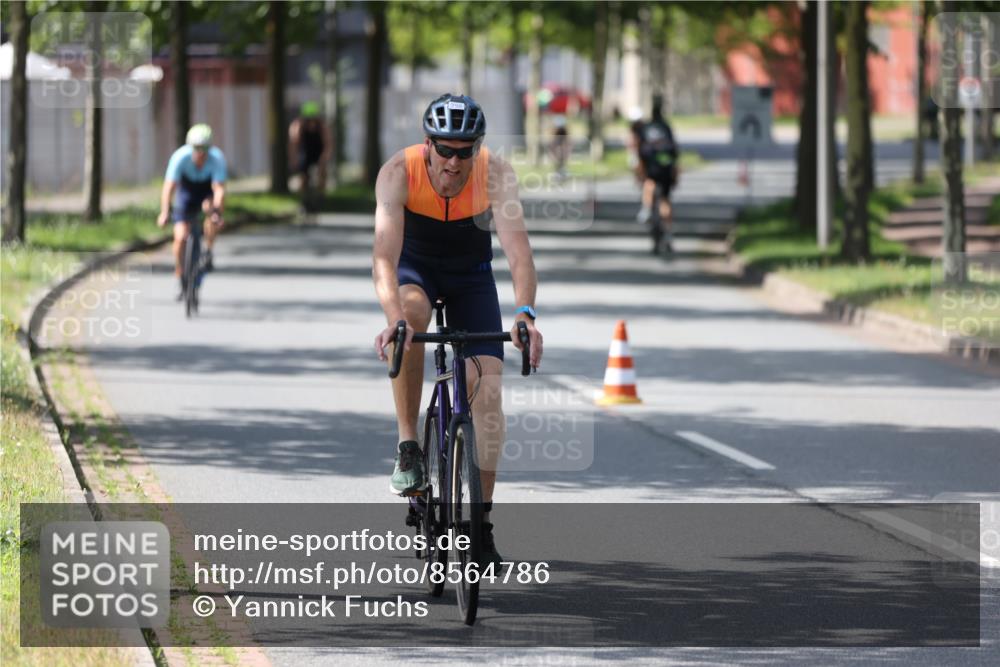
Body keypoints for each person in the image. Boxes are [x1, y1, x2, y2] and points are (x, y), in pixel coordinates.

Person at [372, 93, 544, 563]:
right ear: (427, 144)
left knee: (488, 390)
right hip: (417, 272)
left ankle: (479, 524)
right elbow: (384, 256)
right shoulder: (396, 172)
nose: (453, 161)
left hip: (472, 278)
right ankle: (409, 445)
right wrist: (394, 318)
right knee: (412, 322)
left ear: (477, 149)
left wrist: (525, 313)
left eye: (464, 151)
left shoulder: (495, 174)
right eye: (444, 149)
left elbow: (518, 251)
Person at [157, 124, 227, 297]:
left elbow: (219, 189)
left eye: (204, 148)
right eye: (196, 148)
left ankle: (208, 250)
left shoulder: (217, 158)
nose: (200, 152)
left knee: (211, 212)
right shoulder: (180, 158)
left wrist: (217, 211)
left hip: (206, 192)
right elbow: (168, 188)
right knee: (180, 237)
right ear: (190, 147)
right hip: (186, 194)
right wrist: (165, 212)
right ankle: (180, 273)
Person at [634, 96, 680, 252]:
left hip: (652, 167)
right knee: (665, 201)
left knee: (649, 183)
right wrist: (675, 172)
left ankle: (646, 209)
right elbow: (674, 152)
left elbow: (639, 151)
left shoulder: (645, 129)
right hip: (666, 167)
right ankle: (668, 233)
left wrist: (639, 171)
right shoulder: (666, 128)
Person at [288, 101, 333, 199]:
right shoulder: (298, 126)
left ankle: (321, 194)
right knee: (303, 175)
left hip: (319, 151)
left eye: (313, 119)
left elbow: (328, 144)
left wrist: (325, 157)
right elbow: (294, 144)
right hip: (305, 152)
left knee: (322, 172)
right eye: (308, 120)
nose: (311, 123)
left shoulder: (322, 127)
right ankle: (303, 198)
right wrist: (294, 159)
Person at [550, 115, 571, 182]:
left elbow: (567, 142)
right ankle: (559, 174)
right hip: (558, 150)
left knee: (561, 163)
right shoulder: (555, 135)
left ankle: (562, 174)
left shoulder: (563, 134)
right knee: (558, 163)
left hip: (561, 149)